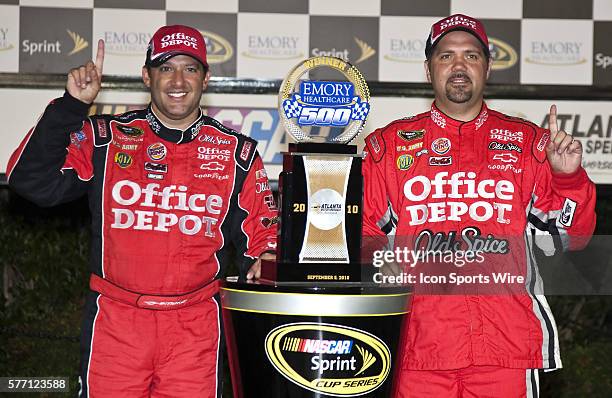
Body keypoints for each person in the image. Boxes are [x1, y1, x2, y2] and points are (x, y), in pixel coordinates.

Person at [7, 25, 276, 397]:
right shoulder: (106, 137)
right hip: (116, 323)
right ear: (146, 76)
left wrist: (265, 258)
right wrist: (71, 106)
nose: (178, 80)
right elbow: (30, 180)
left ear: (206, 78)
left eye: (191, 68)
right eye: (166, 68)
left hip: (195, 327)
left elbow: (263, 236)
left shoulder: (237, 154)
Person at [362, 14, 596, 397]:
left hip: (505, 349)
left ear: (488, 67)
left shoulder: (530, 145)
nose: (458, 66)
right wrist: (377, 260)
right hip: (417, 348)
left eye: (471, 56)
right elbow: (359, 233)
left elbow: (569, 239)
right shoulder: (388, 146)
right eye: (446, 56)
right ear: (428, 69)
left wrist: (567, 177)